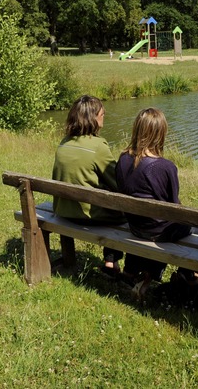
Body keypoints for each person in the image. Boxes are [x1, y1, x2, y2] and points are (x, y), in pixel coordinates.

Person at [115, 107, 193, 298]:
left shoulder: (123, 159)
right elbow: (174, 206)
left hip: (135, 226)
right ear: (160, 133)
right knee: (187, 226)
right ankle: (161, 275)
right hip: (158, 232)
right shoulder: (165, 167)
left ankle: (134, 270)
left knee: (155, 222)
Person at [52, 95, 124, 276]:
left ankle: (110, 261)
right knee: (124, 210)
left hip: (63, 210)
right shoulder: (98, 146)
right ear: (92, 117)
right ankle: (111, 262)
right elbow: (117, 183)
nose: (104, 116)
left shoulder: (64, 142)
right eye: (102, 113)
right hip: (86, 215)